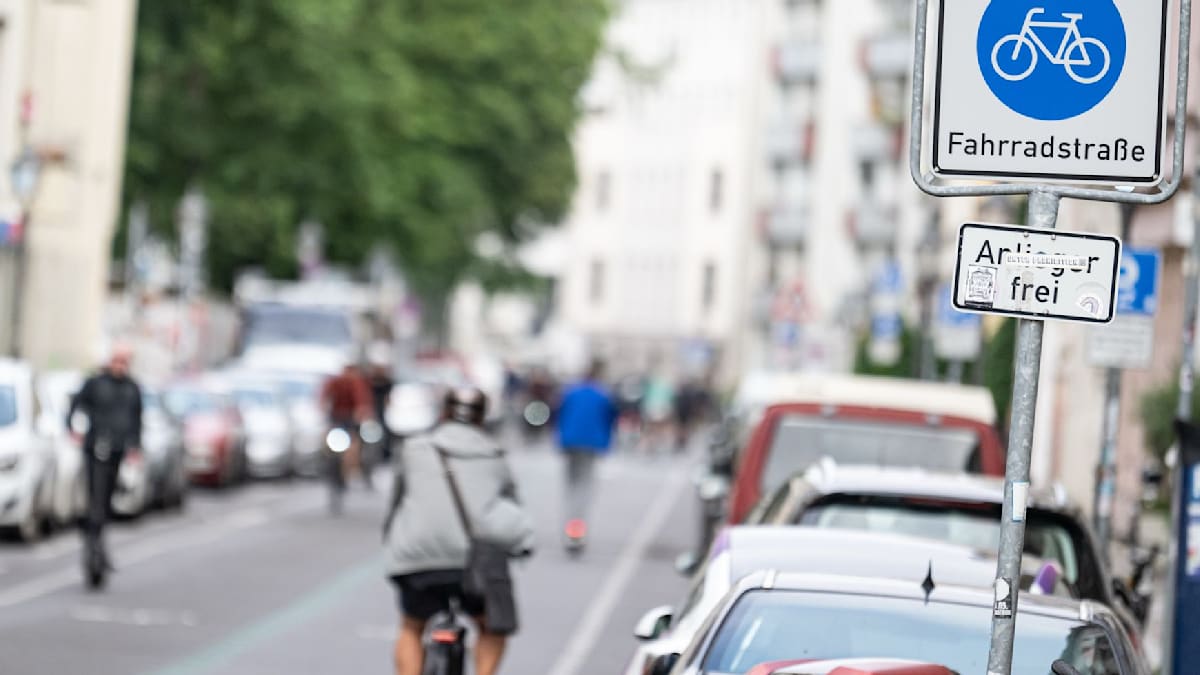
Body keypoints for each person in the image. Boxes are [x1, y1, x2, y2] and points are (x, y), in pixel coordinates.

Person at [384, 387, 533, 675]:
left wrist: (392, 540)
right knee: (490, 626)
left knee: (412, 625)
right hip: (476, 564)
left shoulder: (414, 449)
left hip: (418, 559)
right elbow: (513, 507)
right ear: (482, 417)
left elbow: (396, 502)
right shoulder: (494, 455)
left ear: (443, 412)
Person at [67, 344, 143, 583]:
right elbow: (74, 408)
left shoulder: (132, 388)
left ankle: (96, 539)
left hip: (118, 452)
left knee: (107, 501)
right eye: (117, 361)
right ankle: (94, 550)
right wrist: (73, 429)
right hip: (96, 450)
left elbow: (137, 420)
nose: (120, 366)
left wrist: (135, 447)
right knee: (97, 501)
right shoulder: (95, 384)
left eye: (124, 362)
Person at [555, 359, 618, 551]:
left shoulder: (570, 391)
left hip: (570, 442)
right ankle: (576, 531)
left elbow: (559, 414)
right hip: (591, 444)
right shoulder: (603, 395)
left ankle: (570, 529)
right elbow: (610, 420)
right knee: (584, 488)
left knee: (572, 486)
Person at [320, 363, 375, 492]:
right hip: (336, 420)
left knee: (353, 447)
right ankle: (326, 465)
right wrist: (323, 408)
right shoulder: (335, 382)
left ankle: (351, 469)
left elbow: (363, 401)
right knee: (326, 443)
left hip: (350, 421)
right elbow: (323, 397)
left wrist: (362, 412)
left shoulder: (358, 383)